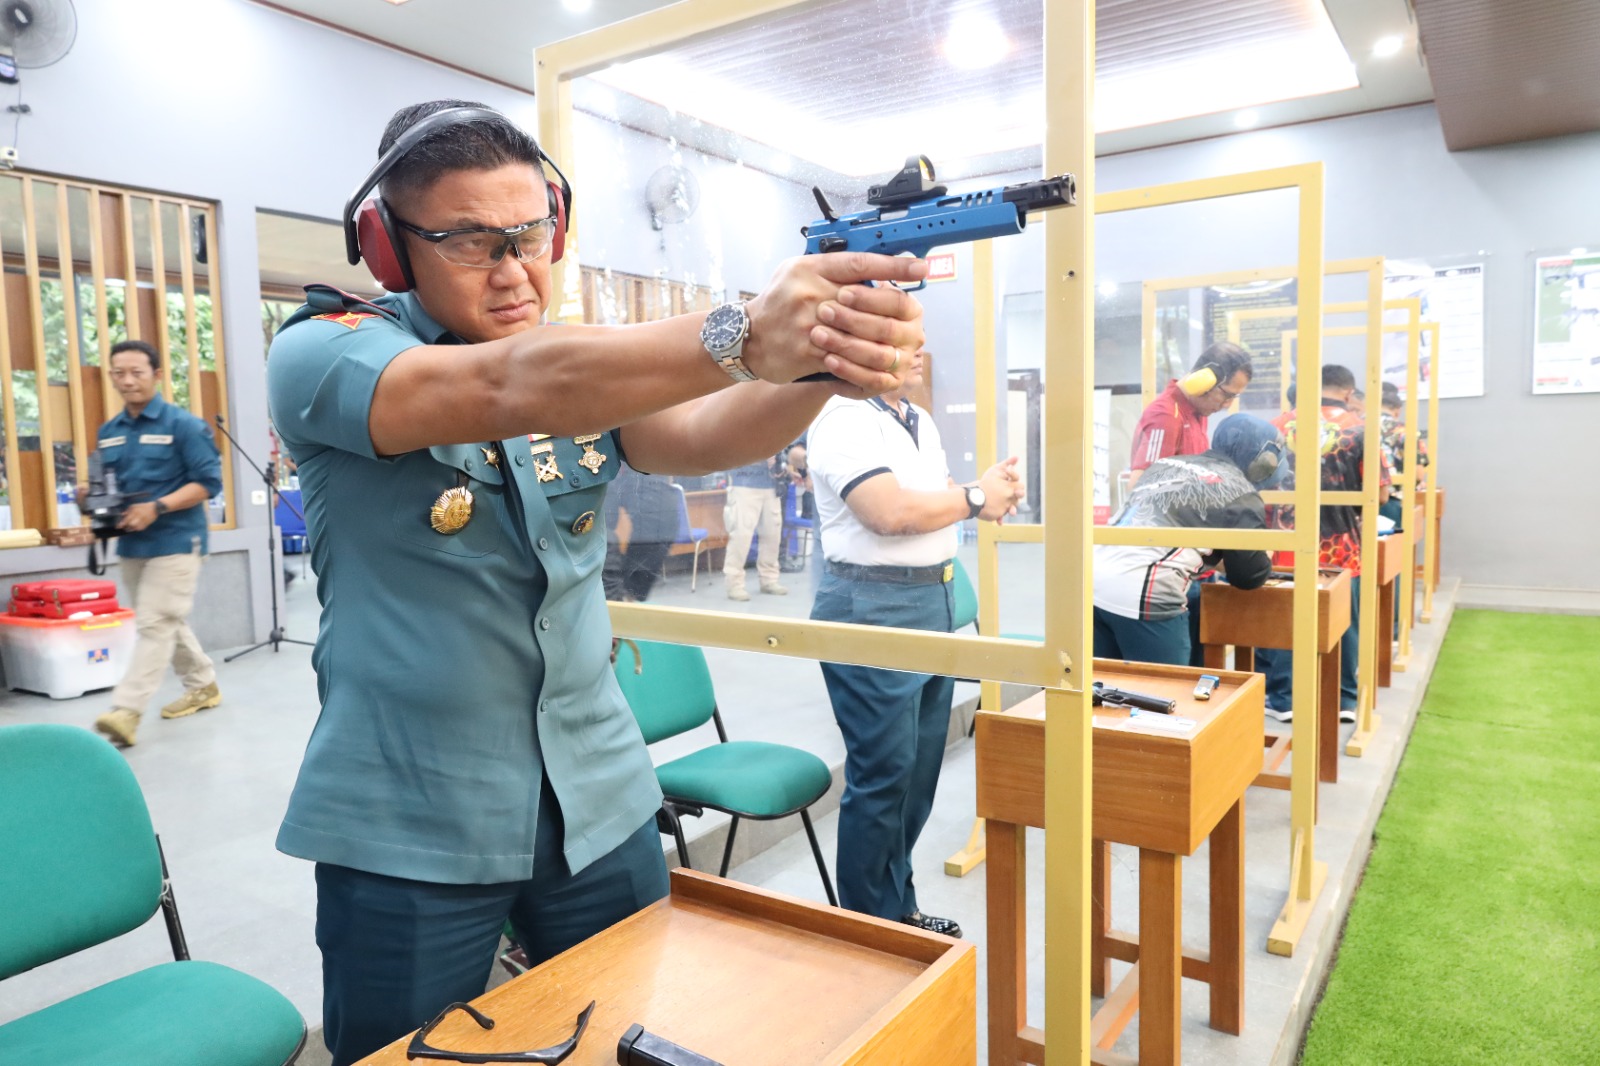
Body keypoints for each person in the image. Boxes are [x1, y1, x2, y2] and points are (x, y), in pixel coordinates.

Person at [265, 100, 926, 1066]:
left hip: (599, 791)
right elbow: (503, 388)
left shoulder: (580, 370)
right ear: (390, 247)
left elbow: (699, 434)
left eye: (532, 234)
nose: (514, 267)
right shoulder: (325, 352)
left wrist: (828, 360)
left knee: (623, 1035)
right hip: (412, 816)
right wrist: (744, 328)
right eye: (467, 241)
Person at [806, 348, 1024, 938]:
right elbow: (889, 512)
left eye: (920, 336)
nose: (918, 350)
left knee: (916, 775)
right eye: (899, 336)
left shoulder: (915, 419)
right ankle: (869, 929)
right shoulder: (843, 416)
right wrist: (975, 499)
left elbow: (939, 497)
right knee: (884, 777)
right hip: (873, 607)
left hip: (933, 602)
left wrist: (985, 492)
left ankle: (896, 908)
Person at [87, 340, 224, 748]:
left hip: (178, 540)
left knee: (154, 622)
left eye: (137, 373)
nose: (127, 381)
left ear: (157, 375)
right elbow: (107, 485)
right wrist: (91, 498)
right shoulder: (108, 433)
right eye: (119, 373)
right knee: (166, 619)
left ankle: (126, 711)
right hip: (132, 545)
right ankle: (203, 685)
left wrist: (157, 507)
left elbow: (208, 483)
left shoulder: (183, 425)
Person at [1257, 364, 1391, 724]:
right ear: (1348, 392)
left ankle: (1283, 697)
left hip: (1281, 540)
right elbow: (1379, 494)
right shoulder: (1361, 429)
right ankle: (1343, 697)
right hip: (1341, 543)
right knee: (1342, 617)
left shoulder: (1274, 426)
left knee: (1283, 616)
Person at [1093, 414, 1280, 665]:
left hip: (1093, 578)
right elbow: (1249, 576)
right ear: (1264, 461)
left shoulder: (1168, 464)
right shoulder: (1241, 492)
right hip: (1147, 591)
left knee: (1102, 692)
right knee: (1165, 696)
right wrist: (1265, 554)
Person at [1127, 341, 1254, 490]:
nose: (1228, 404)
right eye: (1227, 395)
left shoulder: (1198, 413)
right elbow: (1139, 488)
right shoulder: (1166, 416)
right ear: (1204, 380)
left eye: (1234, 397)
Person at [601, 463, 680, 602]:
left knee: (662, 514)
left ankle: (625, 597)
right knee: (600, 531)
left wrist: (631, 587)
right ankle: (611, 602)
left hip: (623, 456)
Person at [722, 452, 787, 600]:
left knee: (772, 535)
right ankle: (734, 584)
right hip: (743, 483)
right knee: (741, 536)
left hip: (771, 484)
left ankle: (769, 579)